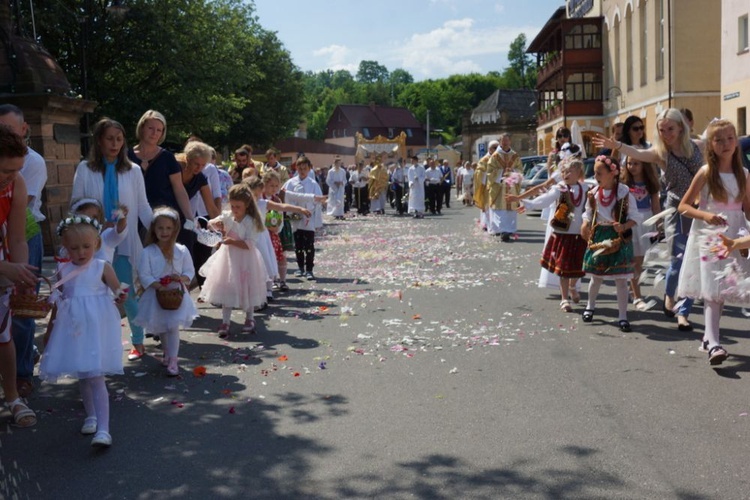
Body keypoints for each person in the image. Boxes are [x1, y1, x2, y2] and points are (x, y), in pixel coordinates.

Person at [593, 108, 704, 331]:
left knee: (696, 261)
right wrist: (617, 146)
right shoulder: (660, 153)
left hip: (700, 208)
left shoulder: (696, 147)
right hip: (676, 209)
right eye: (662, 130)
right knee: (678, 258)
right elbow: (638, 153)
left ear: (681, 127)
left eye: (670, 129)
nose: (666, 134)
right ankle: (670, 295)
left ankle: (683, 313)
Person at [40, 216, 126, 446]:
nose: (81, 252)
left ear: (97, 244)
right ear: (65, 248)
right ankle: (91, 415)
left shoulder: (101, 266)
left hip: (97, 328)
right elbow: (60, 299)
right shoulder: (63, 268)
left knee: (95, 375)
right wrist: (51, 328)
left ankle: (104, 429)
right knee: (83, 374)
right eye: (74, 248)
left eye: (86, 246)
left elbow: (117, 290)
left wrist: (120, 295)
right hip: (74, 327)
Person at [72, 118, 153, 361]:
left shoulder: (133, 170)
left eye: (119, 139)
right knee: (93, 297)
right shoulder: (85, 169)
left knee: (126, 293)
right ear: (99, 140)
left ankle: (138, 341)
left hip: (125, 243)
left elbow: (143, 206)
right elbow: (76, 204)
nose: (115, 143)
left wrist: (158, 232)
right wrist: (94, 223)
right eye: (110, 138)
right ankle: (95, 345)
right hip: (93, 245)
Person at [676, 120, 750, 365]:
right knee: (712, 291)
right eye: (719, 140)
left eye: (730, 138)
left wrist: (745, 237)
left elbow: (747, 209)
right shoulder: (707, 172)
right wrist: (706, 214)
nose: (726, 143)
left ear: (737, 142)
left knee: (723, 289)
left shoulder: (745, 174)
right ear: (711, 145)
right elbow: (683, 206)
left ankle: (709, 338)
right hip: (710, 235)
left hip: (734, 236)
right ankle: (715, 344)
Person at [0, 104, 46, 398]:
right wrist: (6, 269)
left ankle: (13, 393)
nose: (12, 178)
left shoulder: (15, 182)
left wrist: (21, 275)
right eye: (5, 170)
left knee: (5, 331)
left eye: (16, 171)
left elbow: (17, 238)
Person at [199, 184, 268, 338]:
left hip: (246, 259)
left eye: (238, 206)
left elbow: (250, 244)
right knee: (227, 287)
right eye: (233, 205)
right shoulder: (227, 215)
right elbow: (211, 223)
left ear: (247, 205)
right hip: (228, 258)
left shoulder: (251, 221)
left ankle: (249, 319)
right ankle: (225, 321)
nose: (235, 209)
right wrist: (214, 225)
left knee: (247, 288)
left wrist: (232, 241)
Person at [134, 207, 197, 375]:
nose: (164, 232)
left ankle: (174, 360)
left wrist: (182, 278)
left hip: (176, 295)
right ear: (154, 229)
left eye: (168, 228)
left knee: (173, 327)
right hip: (156, 294)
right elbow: (144, 274)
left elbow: (189, 271)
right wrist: (157, 285)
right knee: (162, 327)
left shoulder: (181, 250)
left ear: (175, 229)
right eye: (160, 228)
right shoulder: (148, 252)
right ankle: (168, 354)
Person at [520, 160, 589, 311]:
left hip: (579, 234)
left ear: (579, 173)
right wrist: (527, 203)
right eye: (563, 172)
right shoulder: (560, 189)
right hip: (564, 233)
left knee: (578, 265)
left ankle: (573, 287)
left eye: (570, 171)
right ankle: (564, 299)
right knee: (563, 268)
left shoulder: (585, 188)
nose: (566, 174)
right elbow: (545, 200)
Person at [581, 156, 640, 332]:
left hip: (618, 237)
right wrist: (585, 224)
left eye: (599, 172)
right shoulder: (593, 193)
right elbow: (588, 213)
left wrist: (624, 226)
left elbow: (635, 216)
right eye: (595, 172)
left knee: (621, 280)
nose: (596, 175)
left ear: (612, 174)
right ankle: (590, 307)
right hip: (600, 236)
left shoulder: (624, 193)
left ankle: (623, 316)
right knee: (596, 277)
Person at [127, 110, 194, 228]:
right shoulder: (126, 156)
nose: (154, 133)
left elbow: (179, 189)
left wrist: (190, 217)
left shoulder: (167, 158)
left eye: (159, 130)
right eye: (151, 128)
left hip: (162, 219)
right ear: (142, 128)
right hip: (132, 216)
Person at [620, 156, 661, 311]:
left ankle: (633, 289)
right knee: (634, 260)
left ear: (644, 165)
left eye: (636, 163)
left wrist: (659, 226)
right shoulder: (624, 184)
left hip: (646, 221)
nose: (632, 167)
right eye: (629, 163)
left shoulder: (651, 184)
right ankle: (637, 296)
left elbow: (656, 206)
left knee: (640, 261)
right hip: (631, 222)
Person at [282, 155, 325, 280]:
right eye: (299, 168)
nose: (302, 171)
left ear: (309, 169)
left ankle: (309, 269)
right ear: (296, 168)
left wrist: (311, 207)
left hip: (308, 216)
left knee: (309, 244)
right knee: (298, 243)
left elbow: (318, 199)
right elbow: (284, 196)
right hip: (296, 215)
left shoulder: (313, 183)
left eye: (304, 168)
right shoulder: (291, 183)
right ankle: (300, 267)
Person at [486, 134, 523, 241]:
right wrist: (501, 172)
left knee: (511, 210)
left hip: (511, 187)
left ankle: (509, 230)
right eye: (503, 141)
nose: (505, 143)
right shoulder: (495, 156)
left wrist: (513, 172)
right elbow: (489, 172)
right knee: (500, 210)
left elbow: (520, 170)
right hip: (499, 187)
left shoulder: (515, 156)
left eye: (507, 140)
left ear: (510, 141)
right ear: (500, 142)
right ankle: (502, 231)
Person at [474, 141, 499, 229]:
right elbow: (479, 171)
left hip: (498, 186)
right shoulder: (484, 159)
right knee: (487, 205)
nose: (497, 149)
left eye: (498, 147)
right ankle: (486, 224)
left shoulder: (499, 158)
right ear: (489, 149)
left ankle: (496, 225)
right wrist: (485, 174)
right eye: (495, 147)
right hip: (487, 186)